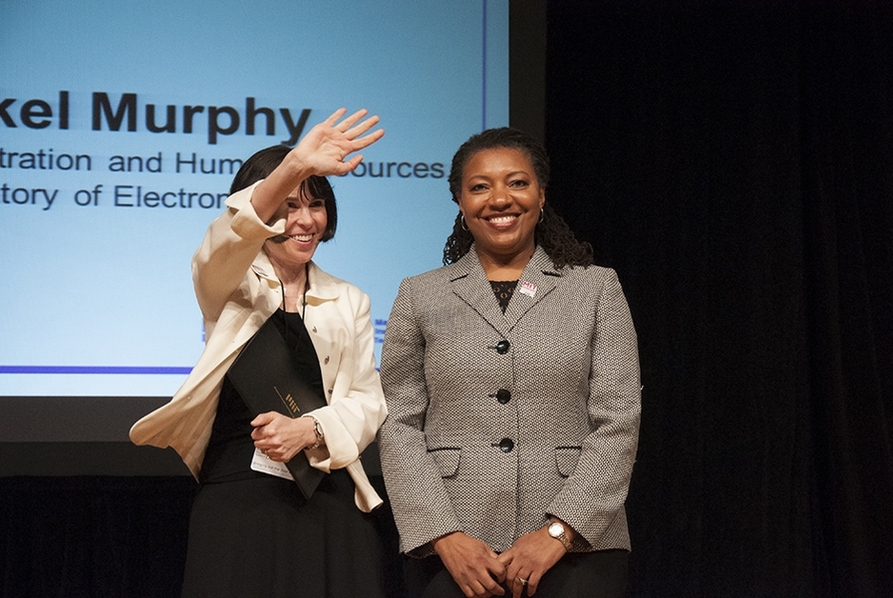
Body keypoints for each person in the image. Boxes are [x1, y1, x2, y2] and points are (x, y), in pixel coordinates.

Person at [129, 108, 389, 597]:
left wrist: (309, 429)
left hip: (326, 492)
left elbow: (367, 402)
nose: (305, 220)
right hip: (240, 497)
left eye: (316, 205)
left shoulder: (350, 299)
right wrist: (295, 164)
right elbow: (224, 241)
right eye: (288, 206)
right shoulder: (229, 283)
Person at [377, 127, 641, 598]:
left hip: (580, 547)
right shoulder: (420, 294)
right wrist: (443, 535)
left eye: (517, 183)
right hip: (455, 551)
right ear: (460, 201)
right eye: (480, 187)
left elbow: (618, 420)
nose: (500, 199)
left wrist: (560, 531)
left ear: (541, 195)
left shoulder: (595, 288)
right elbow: (398, 424)